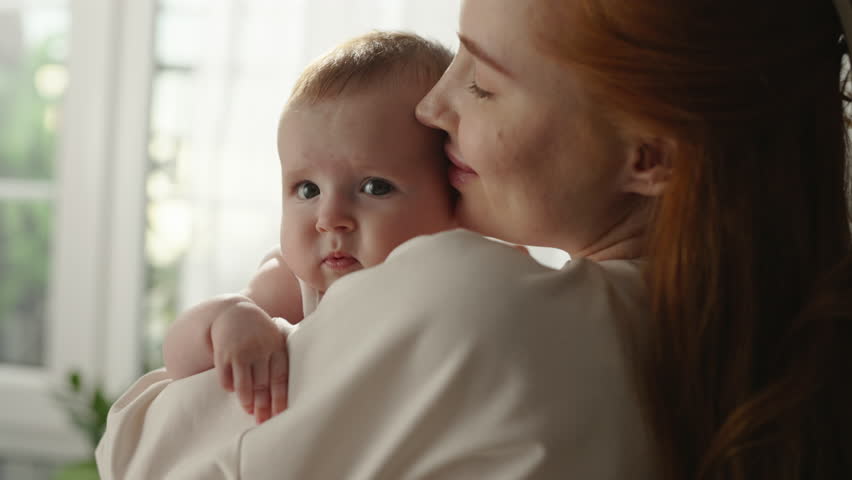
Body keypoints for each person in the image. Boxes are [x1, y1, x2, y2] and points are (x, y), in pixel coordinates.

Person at [96, 0, 852, 479]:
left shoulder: (471, 305)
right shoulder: (765, 359)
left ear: (649, 158)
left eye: (482, 83)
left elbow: (136, 455)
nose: (432, 105)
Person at [160, 31, 457, 425]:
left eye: (374, 187)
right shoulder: (294, 284)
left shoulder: (466, 277)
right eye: (308, 189)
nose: (329, 218)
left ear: (455, 193)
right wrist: (228, 319)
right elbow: (179, 362)